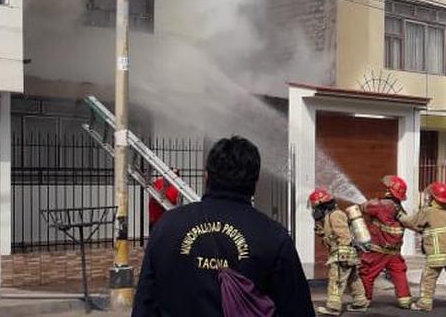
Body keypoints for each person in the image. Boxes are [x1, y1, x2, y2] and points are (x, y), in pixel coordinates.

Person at [132, 136, 315, 317]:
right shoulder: (274, 237)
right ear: (256, 181)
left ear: (206, 176)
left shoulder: (167, 226)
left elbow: (144, 304)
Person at [401, 182, 446, 312]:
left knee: (429, 278)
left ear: (434, 198)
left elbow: (413, 222)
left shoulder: (428, 212)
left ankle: (425, 303)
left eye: (430, 197)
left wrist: (400, 217)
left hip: (436, 254)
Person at [309, 188, 368, 315]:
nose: (314, 210)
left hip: (343, 253)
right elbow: (330, 235)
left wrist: (342, 254)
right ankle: (360, 302)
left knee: (336, 279)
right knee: (353, 279)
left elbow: (344, 235)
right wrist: (320, 228)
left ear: (322, 205)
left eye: (315, 207)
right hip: (345, 253)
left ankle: (333, 307)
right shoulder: (329, 216)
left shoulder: (336, 214)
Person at [358, 175, 413, 309]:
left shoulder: (381, 205)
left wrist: (367, 203)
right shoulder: (399, 208)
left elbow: (364, 208)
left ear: (389, 191)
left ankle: (365, 299)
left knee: (367, 272)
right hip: (394, 251)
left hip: (378, 250)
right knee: (399, 273)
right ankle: (404, 300)